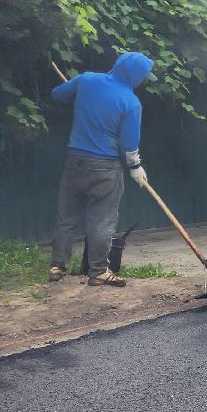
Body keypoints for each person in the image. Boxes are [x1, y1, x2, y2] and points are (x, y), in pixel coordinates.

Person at [48, 51, 154, 287]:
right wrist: (135, 167)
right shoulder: (130, 102)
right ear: (134, 76)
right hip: (105, 167)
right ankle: (97, 272)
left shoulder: (87, 80)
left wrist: (78, 95)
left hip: (75, 161)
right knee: (102, 221)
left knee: (67, 218)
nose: (144, 81)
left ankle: (57, 266)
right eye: (143, 76)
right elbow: (129, 143)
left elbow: (57, 94)